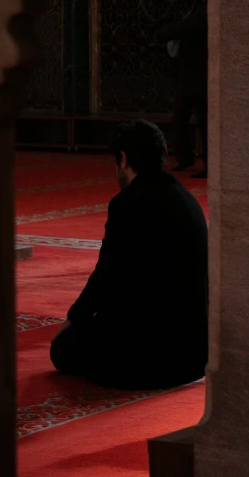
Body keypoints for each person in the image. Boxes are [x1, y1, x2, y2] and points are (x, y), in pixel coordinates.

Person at [50, 120, 208, 391]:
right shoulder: (187, 200)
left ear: (122, 159)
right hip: (194, 358)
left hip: (145, 361)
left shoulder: (127, 204)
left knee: (63, 348)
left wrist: (73, 319)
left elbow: (105, 277)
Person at [157, 0, 208, 179]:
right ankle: (185, 157)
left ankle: (209, 164)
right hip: (190, 73)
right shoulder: (202, 5)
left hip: (201, 74)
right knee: (180, 116)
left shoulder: (208, 11)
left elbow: (188, 26)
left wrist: (163, 33)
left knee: (204, 122)